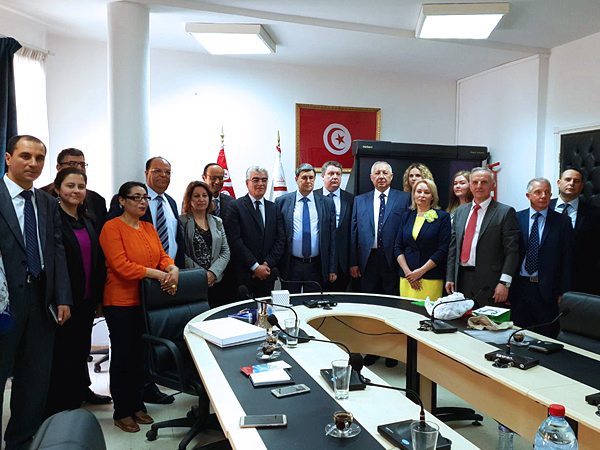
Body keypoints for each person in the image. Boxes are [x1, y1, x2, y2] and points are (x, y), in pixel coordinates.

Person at [0, 135, 72, 450]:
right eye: (25, 156)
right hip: (3, 306)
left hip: (41, 301)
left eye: (39, 158)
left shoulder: (46, 202)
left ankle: (21, 439)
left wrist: (64, 297)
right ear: (7, 157)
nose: (33, 164)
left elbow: (57, 252)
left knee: (34, 379)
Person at [100, 181, 179, 433]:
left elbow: (161, 256)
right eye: (135, 198)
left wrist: (172, 268)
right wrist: (159, 275)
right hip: (120, 302)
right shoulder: (111, 228)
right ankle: (121, 410)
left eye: (144, 197)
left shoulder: (148, 227)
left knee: (139, 356)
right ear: (121, 201)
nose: (142, 202)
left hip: (147, 301)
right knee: (123, 356)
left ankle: (136, 405)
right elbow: (121, 266)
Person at [41, 147, 110, 406]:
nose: (76, 191)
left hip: (86, 297)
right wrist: (62, 298)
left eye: (81, 186)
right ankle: (62, 406)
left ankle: (81, 393)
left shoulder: (87, 218)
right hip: (62, 301)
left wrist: (99, 297)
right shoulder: (50, 218)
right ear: (58, 188)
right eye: (70, 185)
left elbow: (96, 259)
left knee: (81, 351)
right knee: (63, 355)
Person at [446, 167, 520, 307]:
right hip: (462, 279)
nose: (479, 186)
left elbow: (512, 252)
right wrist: (450, 276)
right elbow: (453, 247)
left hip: (490, 282)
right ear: (470, 185)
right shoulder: (460, 211)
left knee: (488, 326)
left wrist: (504, 282)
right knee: (461, 323)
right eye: (475, 182)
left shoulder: (505, 212)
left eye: (484, 182)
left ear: (493, 185)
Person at [511, 178, 574, 338]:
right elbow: (509, 253)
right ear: (528, 195)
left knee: (546, 336)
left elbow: (567, 259)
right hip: (520, 288)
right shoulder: (517, 218)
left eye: (547, 192)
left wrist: (564, 292)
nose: (543, 196)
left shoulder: (562, 221)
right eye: (538, 192)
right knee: (518, 334)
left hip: (548, 289)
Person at [350, 161, 411, 295]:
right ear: (371, 177)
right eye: (377, 173)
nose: (381, 176)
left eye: (385, 173)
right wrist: (353, 262)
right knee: (369, 299)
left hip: (393, 259)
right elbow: (354, 234)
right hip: (367, 259)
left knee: (392, 299)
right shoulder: (359, 200)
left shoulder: (404, 199)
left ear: (392, 176)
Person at [224, 166, 285, 299]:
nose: (260, 184)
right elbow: (235, 241)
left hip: (267, 274)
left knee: (265, 314)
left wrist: (266, 264)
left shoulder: (274, 207)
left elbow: (280, 239)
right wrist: (255, 267)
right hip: (243, 275)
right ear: (247, 183)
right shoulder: (235, 206)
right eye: (255, 180)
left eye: (264, 180)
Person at [275, 163, 337, 293]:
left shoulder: (326, 203)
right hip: (291, 265)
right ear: (296, 179)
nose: (308, 181)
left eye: (311, 177)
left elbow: (332, 238)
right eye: (304, 177)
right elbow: (277, 236)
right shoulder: (282, 202)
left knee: (313, 304)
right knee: (291, 304)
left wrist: (332, 268)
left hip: (316, 265)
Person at [395, 179, 450, 301]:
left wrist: (420, 272)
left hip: (430, 277)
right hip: (406, 278)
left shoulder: (442, 217)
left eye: (427, 192)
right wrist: (408, 273)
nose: (422, 195)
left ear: (432, 196)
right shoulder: (406, 216)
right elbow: (398, 247)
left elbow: (442, 250)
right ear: (413, 195)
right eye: (418, 191)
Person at [179, 181, 230, 308]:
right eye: (196, 196)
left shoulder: (217, 221)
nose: (201, 199)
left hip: (217, 280)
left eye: (204, 195)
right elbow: (181, 253)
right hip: (193, 281)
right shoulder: (182, 221)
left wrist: (212, 273)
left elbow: (225, 251)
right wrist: (202, 275)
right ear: (189, 199)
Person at [550, 168, 600, 296]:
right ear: (559, 182)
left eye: (576, 181)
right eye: (567, 179)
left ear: (582, 186)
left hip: (581, 281)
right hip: (546, 278)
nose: (571, 184)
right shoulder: (543, 207)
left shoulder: (594, 214)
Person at [41, 148, 107, 232]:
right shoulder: (42, 196)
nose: (79, 168)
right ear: (59, 167)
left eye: (82, 165)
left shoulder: (96, 200)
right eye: (72, 164)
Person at [315, 161, 354, 292]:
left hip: (343, 261)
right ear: (323, 176)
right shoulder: (313, 197)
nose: (335, 177)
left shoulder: (351, 199)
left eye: (338, 174)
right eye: (331, 174)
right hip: (319, 260)